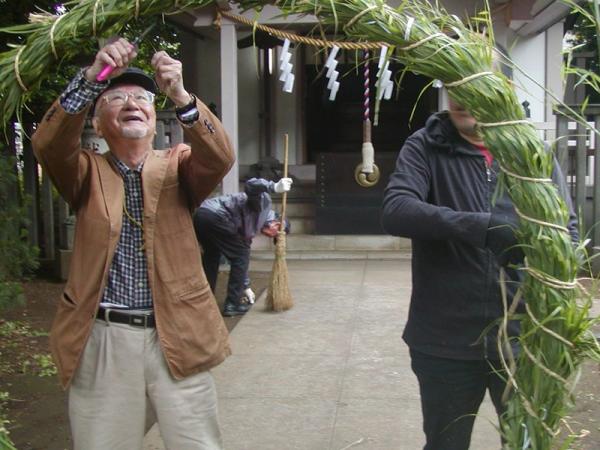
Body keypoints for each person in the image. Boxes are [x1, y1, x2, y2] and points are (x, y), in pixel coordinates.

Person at [32, 38, 234, 450]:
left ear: (153, 112)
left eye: (141, 97)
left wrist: (179, 94)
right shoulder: (85, 170)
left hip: (178, 332)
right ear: (98, 121)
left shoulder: (178, 163)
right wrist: (92, 77)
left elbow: (219, 157)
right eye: (116, 97)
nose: (131, 102)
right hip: (104, 337)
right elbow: (48, 144)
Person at [381, 80, 578, 448]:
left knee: (526, 443)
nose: (459, 97)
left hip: (523, 337)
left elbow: (566, 228)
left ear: (501, 91)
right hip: (444, 337)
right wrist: (483, 227)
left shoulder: (529, 152)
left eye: (472, 86)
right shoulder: (426, 145)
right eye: (452, 87)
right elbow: (397, 211)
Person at [193, 177, 292, 317]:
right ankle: (233, 304)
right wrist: (274, 187)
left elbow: (241, 258)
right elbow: (251, 185)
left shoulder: (252, 227)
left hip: (202, 215)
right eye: (275, 236)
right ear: (277, 225)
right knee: (241, 255)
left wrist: (244, 285)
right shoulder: (263, 205)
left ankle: (204, 300)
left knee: (212, 256)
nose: (270, 238)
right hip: (217, 216)